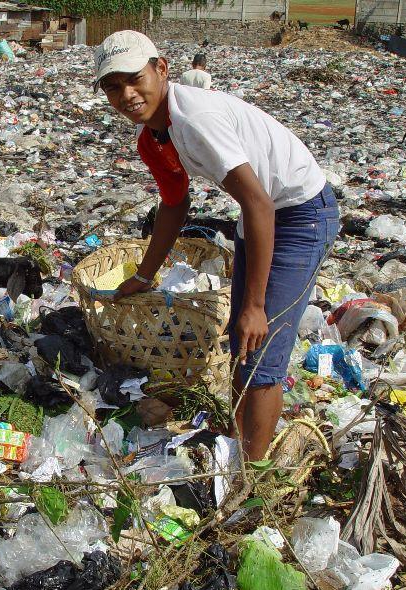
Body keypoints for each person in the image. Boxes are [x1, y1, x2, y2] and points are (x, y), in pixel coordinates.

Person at [94, 31, 339, 460]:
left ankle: (252, 484)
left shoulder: (193, 120)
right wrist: (142, 276)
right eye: (113, 87)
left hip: (298, 214)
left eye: (135, 79)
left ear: (161, 68)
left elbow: (259, 202)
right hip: (260, 215)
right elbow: (173, 206)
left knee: (260, 356)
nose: (127, 95)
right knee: (242, 347)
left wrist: (255, 305)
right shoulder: (154, 138)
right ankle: (238, 446)